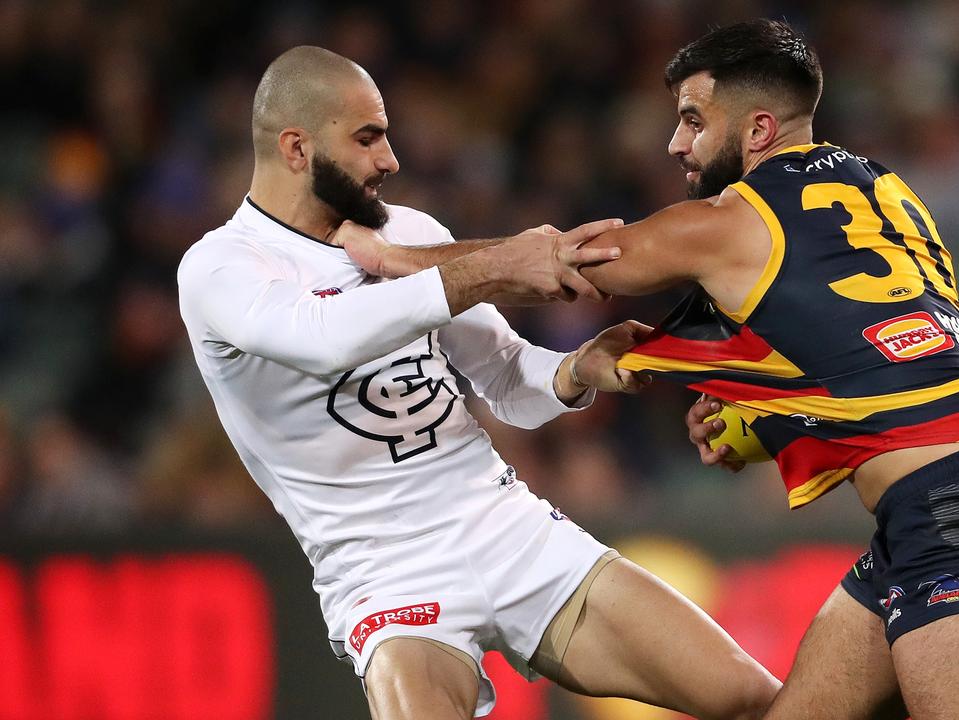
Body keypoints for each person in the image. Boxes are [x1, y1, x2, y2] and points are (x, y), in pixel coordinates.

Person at [177, 46, 779, 720]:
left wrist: (576, 368)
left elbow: (502, 374)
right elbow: (324, 339)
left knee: (754, 699)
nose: (390, 160)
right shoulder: (221, 269)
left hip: (505, 526)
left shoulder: (407, 234)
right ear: (295, 148)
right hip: (384, 573)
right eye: (368, 137)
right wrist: (495, 265)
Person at [574, 19, 959, 720]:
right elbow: (875, 353)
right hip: (940, 506)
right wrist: (764, 412)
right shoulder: (885, 194)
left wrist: (401, 269)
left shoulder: (736, 217)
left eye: (691, 120)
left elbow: (566, 267)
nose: (675, 143)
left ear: (757, 130)